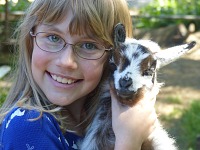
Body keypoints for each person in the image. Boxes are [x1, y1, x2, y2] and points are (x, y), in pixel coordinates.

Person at [0, 0, 157, 149]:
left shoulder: (99, 122)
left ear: (116, 57)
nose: (66, 61)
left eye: (89, 45)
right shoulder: (27, 126)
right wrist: (128, 142)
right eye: (53, 37)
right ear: (30, 41)